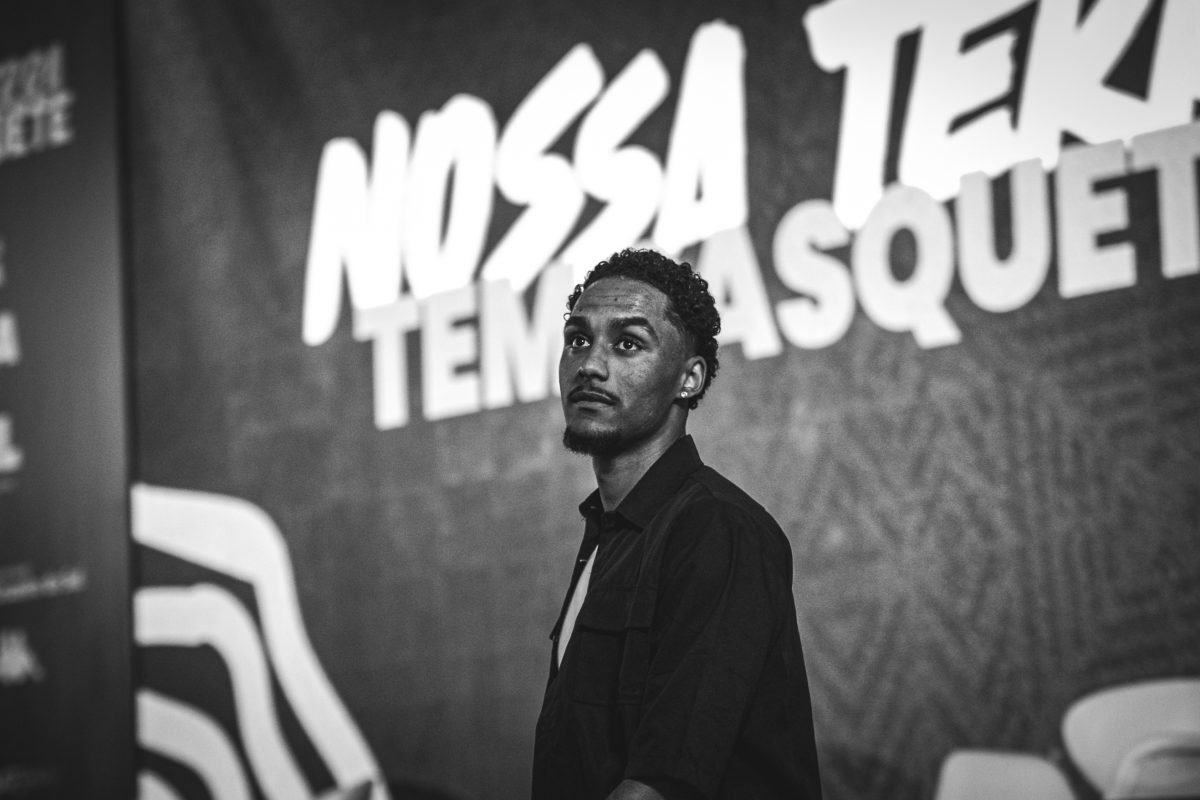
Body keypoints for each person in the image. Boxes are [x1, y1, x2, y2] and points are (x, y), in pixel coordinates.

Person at [532, 249, 822, 800]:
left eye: (627, 343)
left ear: (689, 379)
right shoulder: (607, 535)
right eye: (578, 340)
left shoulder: (719, 529)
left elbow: (666, 782)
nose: (590, 364)